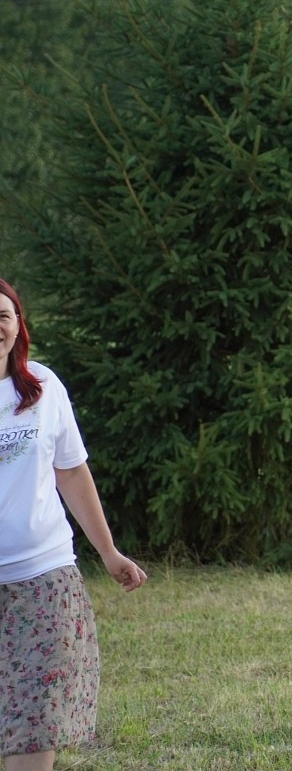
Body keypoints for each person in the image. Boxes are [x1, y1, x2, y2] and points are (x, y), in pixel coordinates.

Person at [0, 278, 148, 771]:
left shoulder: (42, 387)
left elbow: (70, 469)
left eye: (3, 315)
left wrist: (108, 551)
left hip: (45, 577)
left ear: (18, 325)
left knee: (36, 716)